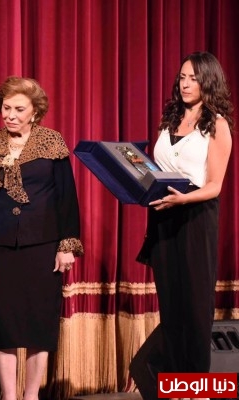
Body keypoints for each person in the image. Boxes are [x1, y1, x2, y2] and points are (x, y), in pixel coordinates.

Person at [0, 76, 84, 400]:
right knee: (4, 326)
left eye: (19, 109)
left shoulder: (52, 142)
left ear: (35, 112)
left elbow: (66, 198)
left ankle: (31, 395)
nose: (11, 115)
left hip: (43, 248)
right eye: (6, 108)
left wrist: (67, 245)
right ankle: (9, 396)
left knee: (39, 326)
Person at [132, 52, 234, 400]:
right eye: (182, 77)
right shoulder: (169, 121)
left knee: (195, 309)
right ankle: (174, 389)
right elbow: (157, 170)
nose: (185, 84)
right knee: (173, 307)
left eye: (193, 78)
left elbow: (215, 185)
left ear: (208, 81)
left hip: (195, 218)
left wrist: (183, 199)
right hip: (164, 218)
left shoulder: (217, 124)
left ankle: (197, 390)